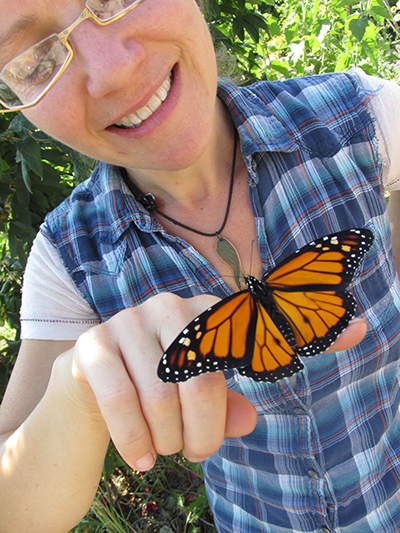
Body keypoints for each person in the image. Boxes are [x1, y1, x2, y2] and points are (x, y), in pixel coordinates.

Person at [0, 1, 400, 532]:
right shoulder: (69, 257)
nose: (114, 70)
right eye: (33, 63)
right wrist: (75, 397)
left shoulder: (365, 117)